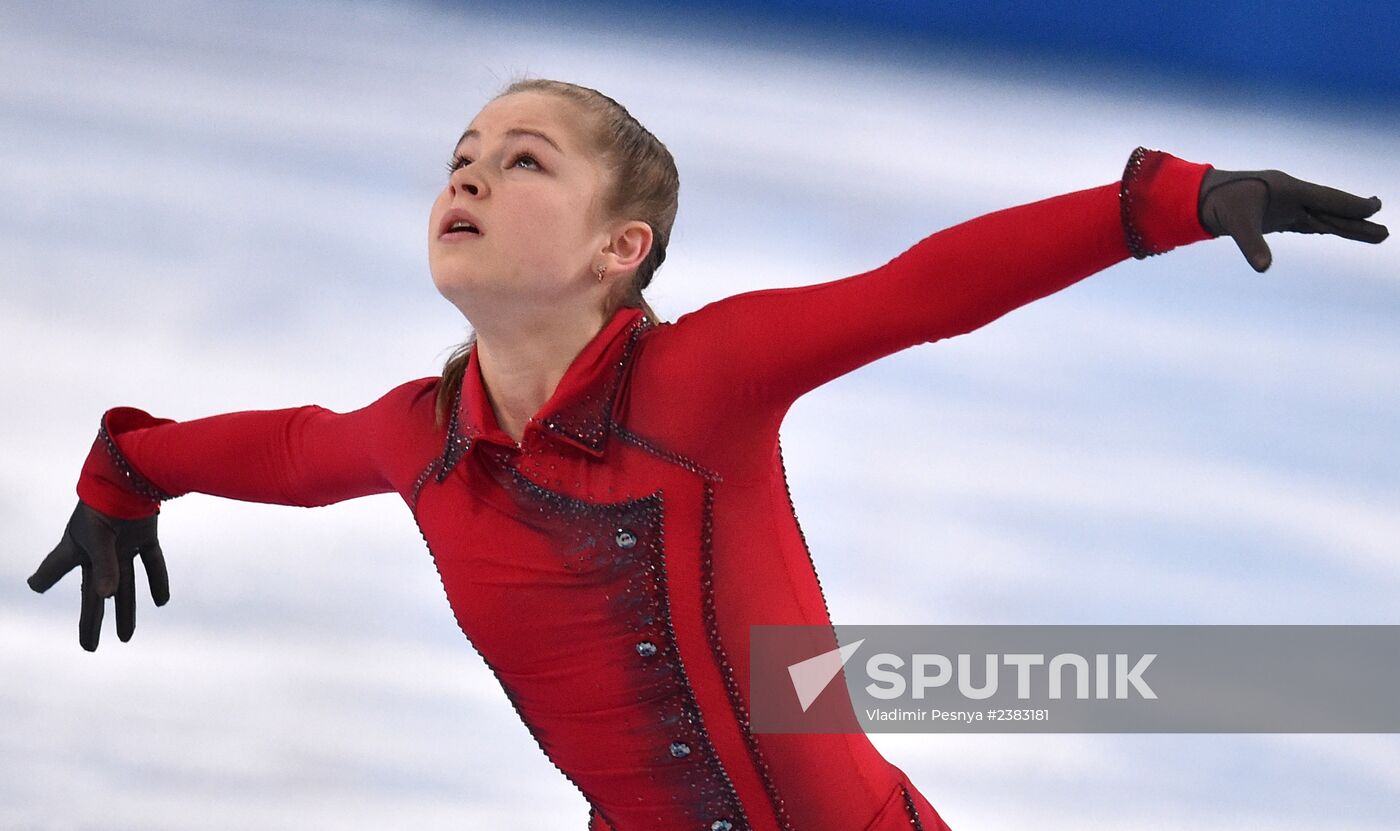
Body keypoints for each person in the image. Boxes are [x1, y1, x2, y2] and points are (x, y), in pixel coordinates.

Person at [27, 77, 1387, 831]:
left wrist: (1172, 203)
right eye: (461, 157)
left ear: (624, 253)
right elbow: (275, 448)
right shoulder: (422, 441)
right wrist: (122, 474)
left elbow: (922, 291)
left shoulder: (700, 382)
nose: (472, 177)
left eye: (524, 162)